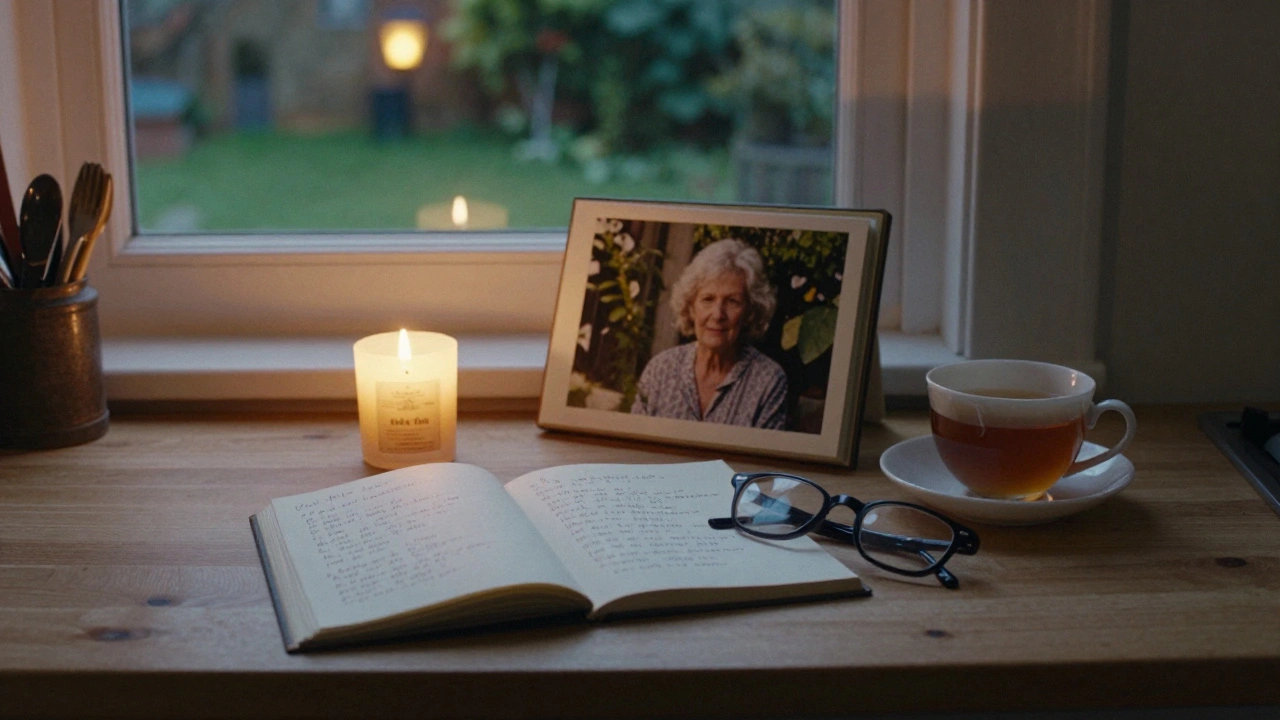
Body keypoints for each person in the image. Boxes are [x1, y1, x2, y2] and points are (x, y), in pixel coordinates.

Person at [631, 238, 787, 429]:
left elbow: (762, 459)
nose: (718, 314)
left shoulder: (768, 381)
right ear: (691, 307)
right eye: (708, 299)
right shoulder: (661, 370)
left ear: (750, 312)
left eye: (732, 301)